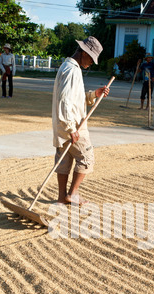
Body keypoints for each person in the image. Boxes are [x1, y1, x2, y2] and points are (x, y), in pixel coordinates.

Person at [52, 36, 109, 205]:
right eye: (91, 58)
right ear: (84, 52)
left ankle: (62, 197)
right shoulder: (71, 70)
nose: (91, 62)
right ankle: (73, 194)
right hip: (73, 125)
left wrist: (93, 95)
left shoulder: (68, 66)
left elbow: (74, 99)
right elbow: (65, 101)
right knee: (87, 157)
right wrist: (71, 128)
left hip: (63, 125)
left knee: (64, 161)